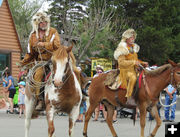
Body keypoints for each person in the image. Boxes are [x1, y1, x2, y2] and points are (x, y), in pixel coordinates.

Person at [20, 12, 62, 110]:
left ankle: (79, 91)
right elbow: (30, 53)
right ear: (37, 24)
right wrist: (23, 63)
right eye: (41, 22)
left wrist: (44, 44)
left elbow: (57, 45)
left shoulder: (53, 31)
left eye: (45, 21)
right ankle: (40, 100)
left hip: (54, 59)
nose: (44, 24)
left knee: (68, 70)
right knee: (37, 76)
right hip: (41, 61)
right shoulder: (33, 36)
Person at [114, 29, 148, 106]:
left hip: (134, 69)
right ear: (126, 38)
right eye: (131, 37)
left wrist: (143, 63)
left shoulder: (133, 48)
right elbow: (121, 63)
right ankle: (129, 98)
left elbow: (135, 60)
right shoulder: (122, 49)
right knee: (133, 78)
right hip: (124, 71)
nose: (133, 39)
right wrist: (133, 63)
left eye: (133, 37)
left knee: (145, 77)